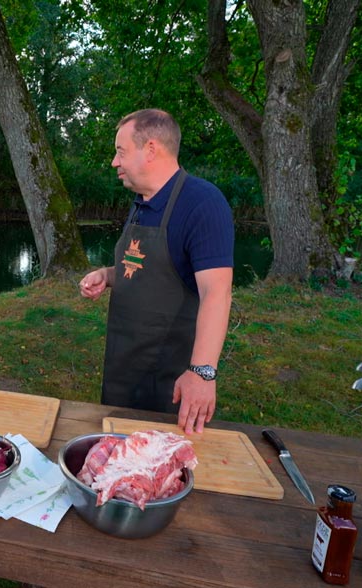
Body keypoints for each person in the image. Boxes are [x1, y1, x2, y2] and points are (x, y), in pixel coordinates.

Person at [79, 109, 233, 435]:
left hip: (169, 379)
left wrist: (203, 373)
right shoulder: (141, 202)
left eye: (120, 152)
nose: (114, 162)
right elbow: (145, 267)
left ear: (150, 149)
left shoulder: (203, 203)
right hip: (123, 367)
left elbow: (217, 292)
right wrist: (108, 275)